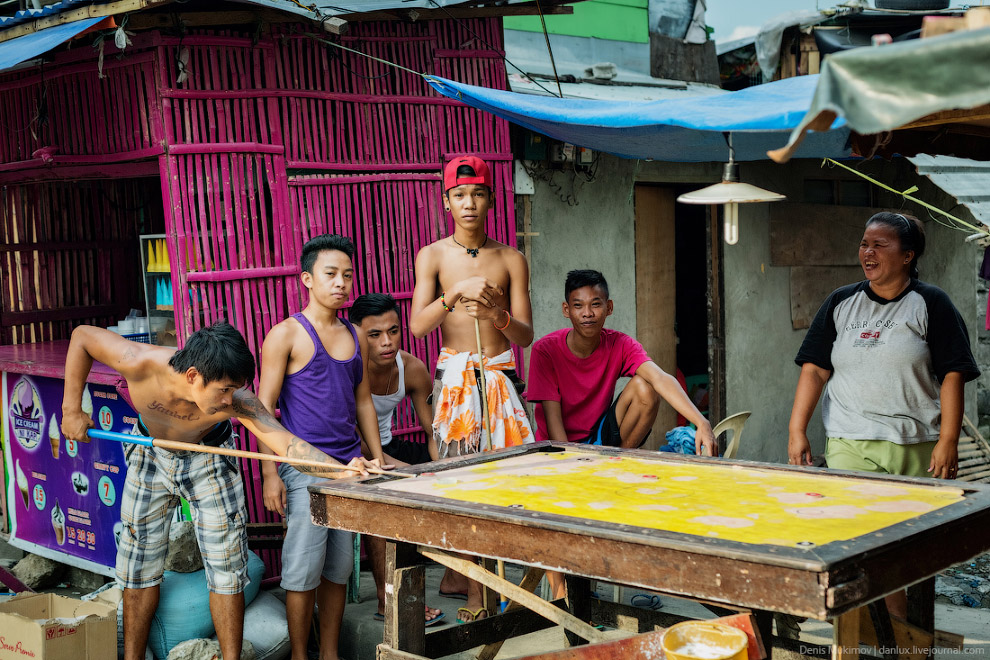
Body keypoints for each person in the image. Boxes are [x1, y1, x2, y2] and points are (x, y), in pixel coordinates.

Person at [61, 321, 351, 660]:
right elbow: (81, 336)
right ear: (193, 375)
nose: (231, 400)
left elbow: (287, 444)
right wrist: (70, 409)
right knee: (137, 564)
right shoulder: (139, 360)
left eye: (236, 390)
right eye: (224, 390)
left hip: (211, 455)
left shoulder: (239, 401)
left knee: (227, 567)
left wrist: (341, 471)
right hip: (149, 450)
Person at [788, 211, 979, 619]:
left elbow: (953, 374)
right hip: (849, 439)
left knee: (906, 548)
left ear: (908, 255)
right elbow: (816, 369)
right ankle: (878, 629)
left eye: (880, 244)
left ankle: (905, 630)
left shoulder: (930, 303)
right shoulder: (841, 302)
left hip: (914, 444)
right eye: (864, 243)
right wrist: (796, 428)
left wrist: (948, 440)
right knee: (855, 539)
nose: (867, 252)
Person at [526, 269, 715, 598]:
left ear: (609, 307)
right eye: (579, 305)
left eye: (596, 304)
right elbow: (552, 424)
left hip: (602, 441)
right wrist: (573, 467)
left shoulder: (620, 343)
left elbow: (661, 378)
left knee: (645, 386)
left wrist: (701, 422)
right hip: (556, 452)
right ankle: (561, 595)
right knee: (556, 517)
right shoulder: (546, 351)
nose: (588, 313)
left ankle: (620, 463)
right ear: (565, 309)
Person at [410, 155, 534, 622]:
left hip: (499, 377)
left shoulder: (511, 258)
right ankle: (476, 596)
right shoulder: (433, 255)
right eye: (459, 195)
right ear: (446, 202)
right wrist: (453, 297)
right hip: (456, 384)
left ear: (490, 199)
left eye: (477, 194)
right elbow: (420, 327)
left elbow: (525, 334)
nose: (469, 203)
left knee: (512, 485)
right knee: (462, 490)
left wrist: (497, 316)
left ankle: (527, 585)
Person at [258, 234, 387, 660]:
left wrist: (378, 456)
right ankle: (300, 655)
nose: (341, 283)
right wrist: (271, 474)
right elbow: (262, 411)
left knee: (338, 571)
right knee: (301, 572)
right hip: (303, 471)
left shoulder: (355, 334)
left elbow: (363, 400)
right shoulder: (286, 335)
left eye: (347, 275)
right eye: (331, 274)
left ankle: (329, 653)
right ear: (307, 279)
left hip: (350, 468)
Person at [349, 292, 444, 626]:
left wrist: (439, 470)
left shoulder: (412, 368)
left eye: (393, 331)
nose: (386, 342)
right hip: (354, 454)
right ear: (356, 333)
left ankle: (457, 577)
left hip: (390, 447)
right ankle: (385, 599)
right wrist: (404, 471)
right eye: (374, 335)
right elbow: (354, 441)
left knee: (457, 482)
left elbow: (433, 432)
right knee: (379, 500)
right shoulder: (347, 368)